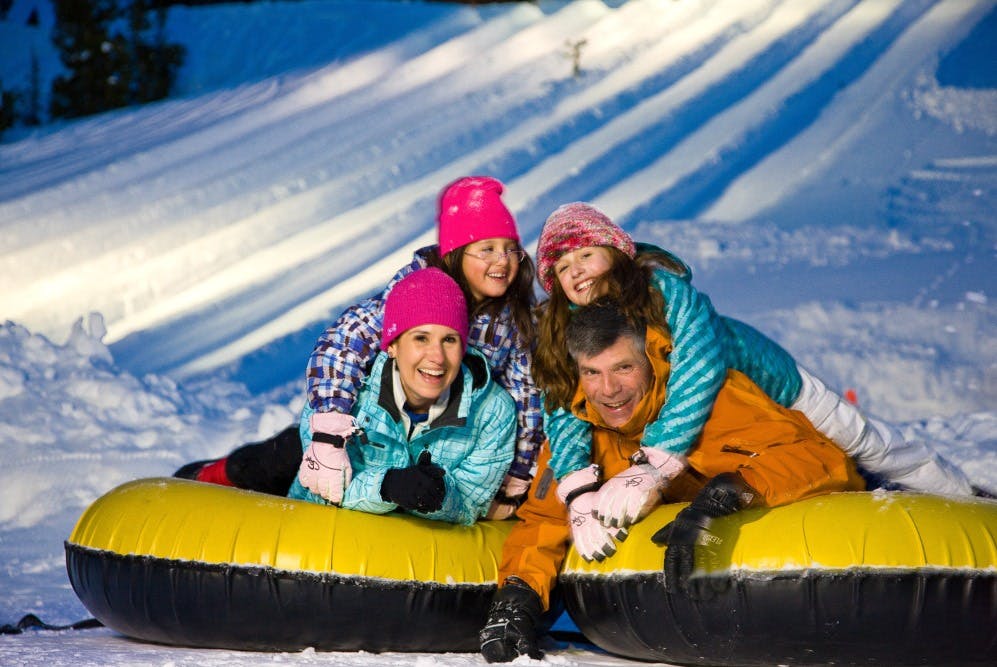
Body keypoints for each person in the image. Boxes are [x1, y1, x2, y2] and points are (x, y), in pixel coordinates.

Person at [531, 202, 975, 534]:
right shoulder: (568, 331)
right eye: (562, 267)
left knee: (866, 443)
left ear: (617, 252)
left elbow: (697, 370)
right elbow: (563, 407)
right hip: (720, 410)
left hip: (773, 382)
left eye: (585, 255)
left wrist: (656, 463)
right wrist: (576, 488)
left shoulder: (663, 292)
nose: (576, 272)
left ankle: (964, 498)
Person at [478, 302, 866, 662]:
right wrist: (518, 597)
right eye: (592, 373)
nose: (609, 390)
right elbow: (543, 523)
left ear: (649, 360)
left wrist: (731, 492)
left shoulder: (717, 402)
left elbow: (823, 460)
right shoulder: (577, 436)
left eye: (623, 368)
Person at [175, 176, 543, 518]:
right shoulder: (414, 293)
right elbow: (343, 345)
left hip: (441, 429)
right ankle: (212, 477)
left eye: (511, 249)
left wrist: (515, 477)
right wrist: (331, 426)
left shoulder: (512, 320)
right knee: (282, 458)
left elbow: (525, 395)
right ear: (456, 252)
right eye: (488, 249)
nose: (502, 260)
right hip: (369, 420)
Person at [287, 268, 516, 525]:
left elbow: (470, 504)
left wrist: (440, 495)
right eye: (421, 338)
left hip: (419, 558)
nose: (437, 357)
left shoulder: (492, 412)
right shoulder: (342, 397)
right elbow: (320, 487)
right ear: (393, 345)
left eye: (449, 340)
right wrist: (387, 487)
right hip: (322, 542)